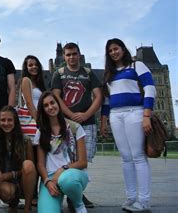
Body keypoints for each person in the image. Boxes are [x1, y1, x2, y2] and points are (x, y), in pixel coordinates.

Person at [100, 38, 155, 212]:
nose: (113, 52)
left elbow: (150, 88)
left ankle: (144, 200)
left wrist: (147, 114)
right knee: (125, 157)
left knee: (138, 156)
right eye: (110, 50)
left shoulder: (136, 66)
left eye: (116, 48)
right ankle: (131, 197)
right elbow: (107, 101)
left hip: (134, 112)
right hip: (116, 115)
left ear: (123, 49)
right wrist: (104, 120)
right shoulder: (109, 74)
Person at [50, 42, 101, 209]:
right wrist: (70, 115)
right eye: (68, 54)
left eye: (74, 54)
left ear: (79, 55)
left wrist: (87, 114)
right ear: (64, 57)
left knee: (82, 161)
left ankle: (76, 194)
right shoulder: (59, 74)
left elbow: (98, 96)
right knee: (69, 158)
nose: (71, 57)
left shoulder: (88, 73)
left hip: (88, 123)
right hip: (66, 124)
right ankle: (73, 192)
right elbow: (56, 97)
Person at [34, 91, 89, 213]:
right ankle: (55, 204)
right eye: (46, 105)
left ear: (58, 103)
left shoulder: (75, 128)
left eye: (52, 103)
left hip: (73, 174)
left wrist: (63, 169)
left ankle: (78, 205)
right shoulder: (41, 132)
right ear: (43, 110)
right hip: (51, 178)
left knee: (66, 180)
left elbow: (83, 162)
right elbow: (41, 164)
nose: (50, 107)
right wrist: (47, 182)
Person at [0, 106, 37, 213]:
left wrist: (11, 174)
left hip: (23, 181)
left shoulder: (25, 140)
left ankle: (27, 207)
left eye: (9, 120)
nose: (6, 123)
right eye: (3, 120)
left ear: (15, 121)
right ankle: (13, 204)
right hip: (6, 182)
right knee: (0, 183)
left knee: (28, 164)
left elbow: (31, 169)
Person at [18, 55, 46, 139]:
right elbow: (29, 103)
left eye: (36, 64)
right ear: (26, 68)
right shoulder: (26, 80)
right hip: (32, 117)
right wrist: (39, 120)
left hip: (40, 116)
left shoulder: (39, 83)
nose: (34, 67)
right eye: (30, 65)